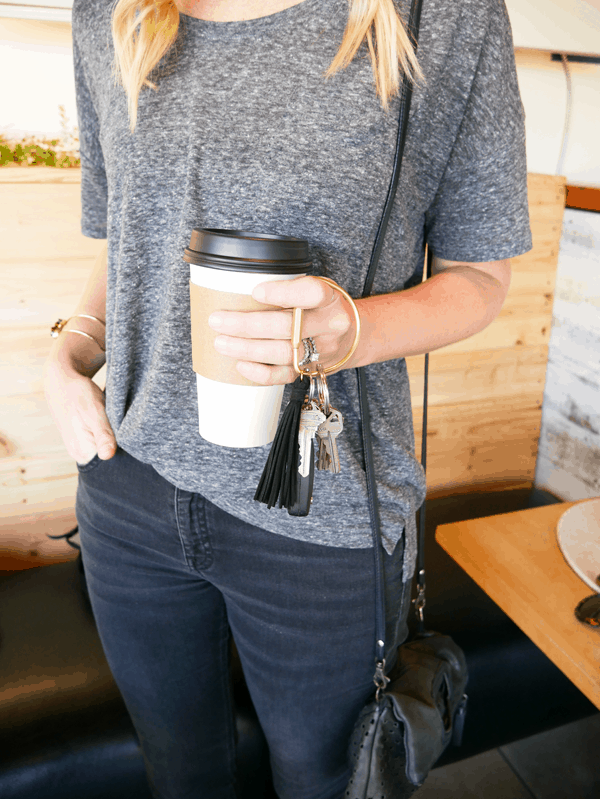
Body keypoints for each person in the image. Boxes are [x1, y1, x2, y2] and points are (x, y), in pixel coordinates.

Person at [43, 0, 532, 797]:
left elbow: (479, 277)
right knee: (180, 778)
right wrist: (68, 351)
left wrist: (352, 334)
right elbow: (128, 240)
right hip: (127, 490)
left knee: (327, 785)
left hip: (323, 514)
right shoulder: (111, 12)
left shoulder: (441, 13)